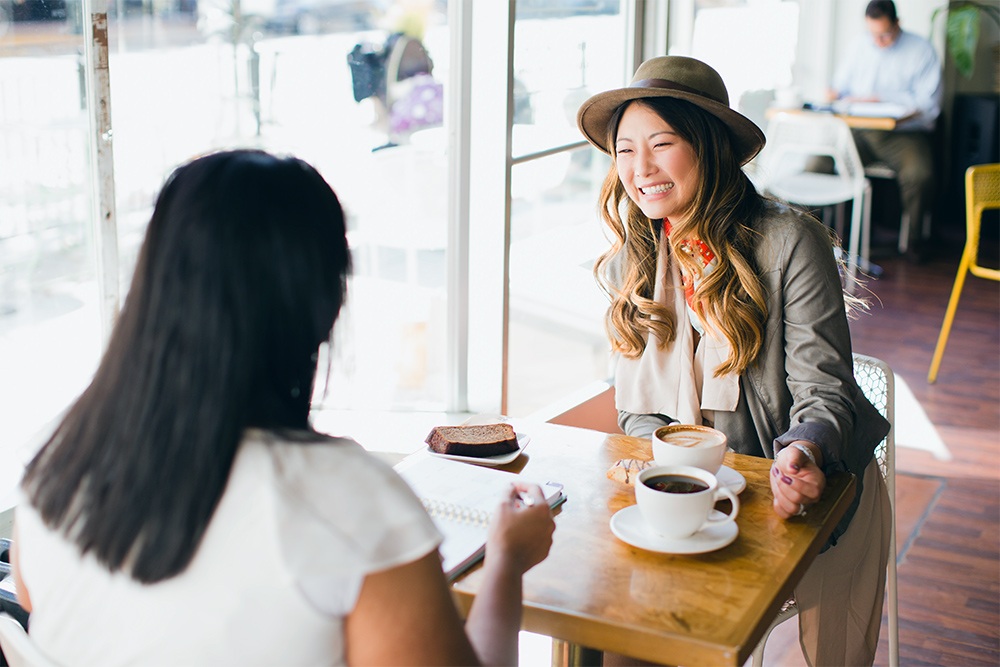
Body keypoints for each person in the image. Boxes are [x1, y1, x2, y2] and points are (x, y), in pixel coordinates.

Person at [8, 150, 555, 666]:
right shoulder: (347, 498)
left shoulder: (56, 457)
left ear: (152, 287)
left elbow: (41, 603)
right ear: (325, 308)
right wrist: (506, 562)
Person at [577, 56, 892, 666]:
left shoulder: (789, 242)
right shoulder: (632, 263)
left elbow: (823, 391)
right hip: (694, 496)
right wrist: (678, 471)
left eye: (662, 144)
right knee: (609, 628)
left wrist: (803, 451)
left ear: (710, 148)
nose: (640, 169)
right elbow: (637, 416)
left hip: (798, 496)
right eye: (624, 151)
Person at [827, 0, 942, 262]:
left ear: (897, 24)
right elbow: (839, 87)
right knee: (821, 162)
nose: (878, 41)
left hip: (903, 134)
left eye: (885, 34)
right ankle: (831, 239)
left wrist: (880, 99)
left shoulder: (922, 50)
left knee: (920, 175)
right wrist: (835, 94)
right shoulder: (858, 46)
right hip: (859, 130)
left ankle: (913, 242)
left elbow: (929, 104)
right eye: (873, 34)